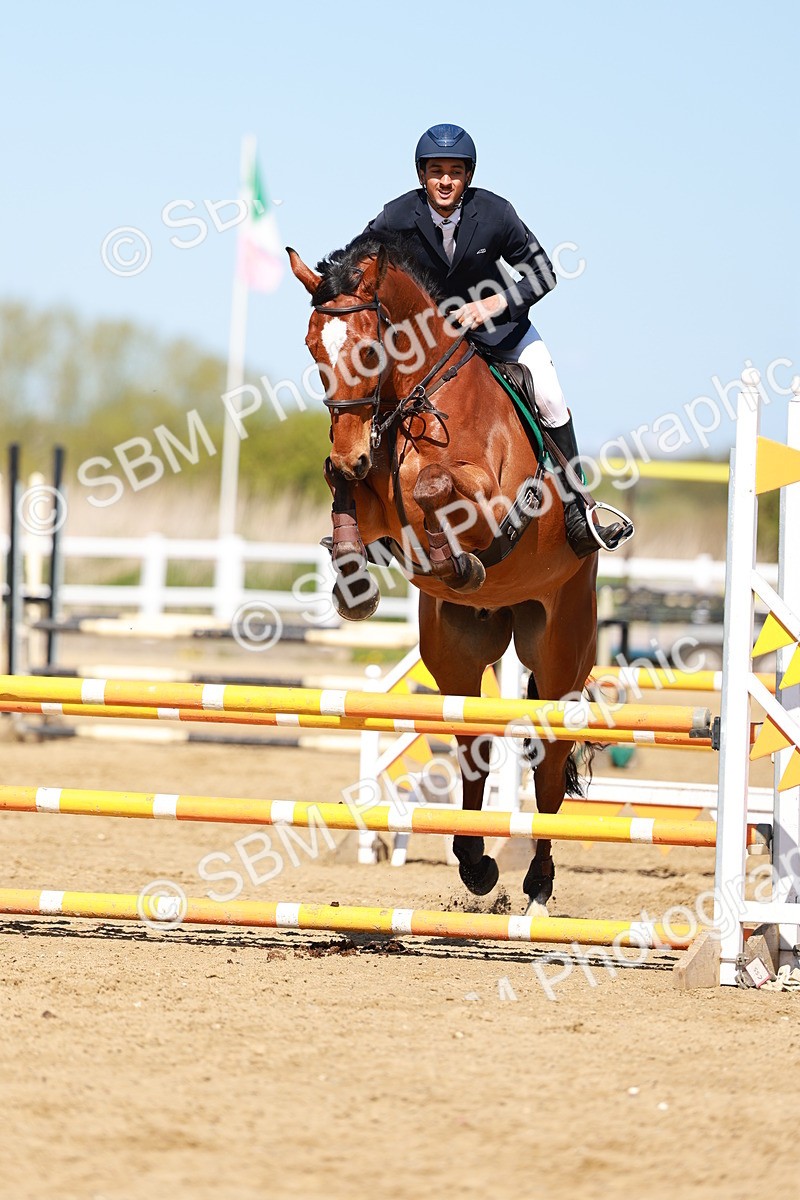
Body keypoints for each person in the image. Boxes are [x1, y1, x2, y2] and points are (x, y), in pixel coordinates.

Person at [362, 122, 632, 557]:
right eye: (435, 171)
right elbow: (358, 264)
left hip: (503, 333)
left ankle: (579, 512)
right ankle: (373, 516)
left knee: (549, 396)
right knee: (371, 398)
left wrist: (492, 304)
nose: (445, 180)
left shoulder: (495, 213)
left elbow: (543, 272)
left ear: (468, 175)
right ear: (421, 175)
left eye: (454, 171)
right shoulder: (396, 217)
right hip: (431, 349)